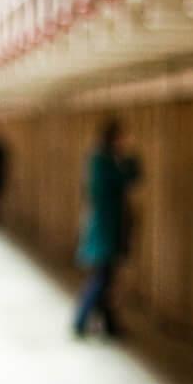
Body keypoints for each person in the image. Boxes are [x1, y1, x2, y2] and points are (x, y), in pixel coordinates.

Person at [74, 117, 142, 338]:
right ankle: (81, 320)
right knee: (103, 278)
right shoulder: (104, 163)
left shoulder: (100, 160)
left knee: (107, 279)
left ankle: (107, 324)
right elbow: (132, 175)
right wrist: (130, 154)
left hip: (105, 229)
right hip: (105, 230)